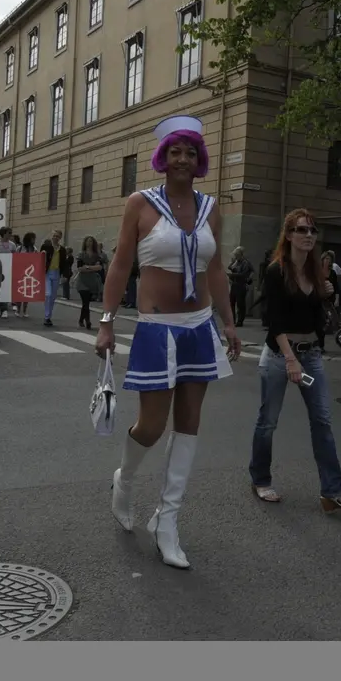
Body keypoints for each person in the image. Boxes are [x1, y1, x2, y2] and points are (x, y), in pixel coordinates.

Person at [97, 114, 241, 570]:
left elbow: (215, 269)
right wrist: (106, 322)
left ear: (200, 161)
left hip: (199, 326)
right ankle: (124, 480)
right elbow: (121, 265)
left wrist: (230, 322)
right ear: (163, 158)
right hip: (156, 328)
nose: (183, 159)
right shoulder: (140, 204)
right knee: (152, 425)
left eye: (191, 152)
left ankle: (168, 520)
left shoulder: (211, 209)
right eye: (175, 151)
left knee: (191, 422)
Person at [249, 209, 341, 512]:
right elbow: (274, 320)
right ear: (289, 235)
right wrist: (289, 360)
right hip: (278, 355)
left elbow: (316, 317)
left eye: (312, 230)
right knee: (268, 422)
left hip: (310, 355)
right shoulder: (276, 271)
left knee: (322, 420)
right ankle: (260, 479)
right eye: (302, 230)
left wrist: (328, 294)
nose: (309, 235)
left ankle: (332, 491)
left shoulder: (315, 272)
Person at [39, 230, 69, 327]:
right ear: (52, 236)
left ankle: (48, 317)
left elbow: (64, 263)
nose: (55, 237)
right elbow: (40, 258)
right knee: (48, 294)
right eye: (54, 236)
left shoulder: (62, 250)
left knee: (52, 297)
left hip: (56, 272)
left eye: (58, 236)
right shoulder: (46, 247)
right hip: (47, 272)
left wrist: (65, 275)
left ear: (60, 238)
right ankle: (46, 316)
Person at [75, 236, 105, 330]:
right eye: (88, 241)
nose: (89, 243)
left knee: (86, 302)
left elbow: (100, 267)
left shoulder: (97, 255)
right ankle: (88, 321)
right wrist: (92, 268)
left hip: (92, 281)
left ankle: (81, 320)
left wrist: (87, 267)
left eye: (91, 241)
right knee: (85, 301)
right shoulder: (81, 254)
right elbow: (80, 268)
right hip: (82, 281)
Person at [226, 246, 253, 326]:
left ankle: (240, 321)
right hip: (234, 284)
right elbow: (230, 267)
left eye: (236, 255)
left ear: (240, 254)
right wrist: (233, 262)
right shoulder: (236, 262)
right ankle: (232, 320)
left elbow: (243, 274)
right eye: (235, 255)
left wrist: (232, 274)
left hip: (241, 285)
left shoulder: (245, 263)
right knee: (232, 302)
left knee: (240, 304)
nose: (235, 257)